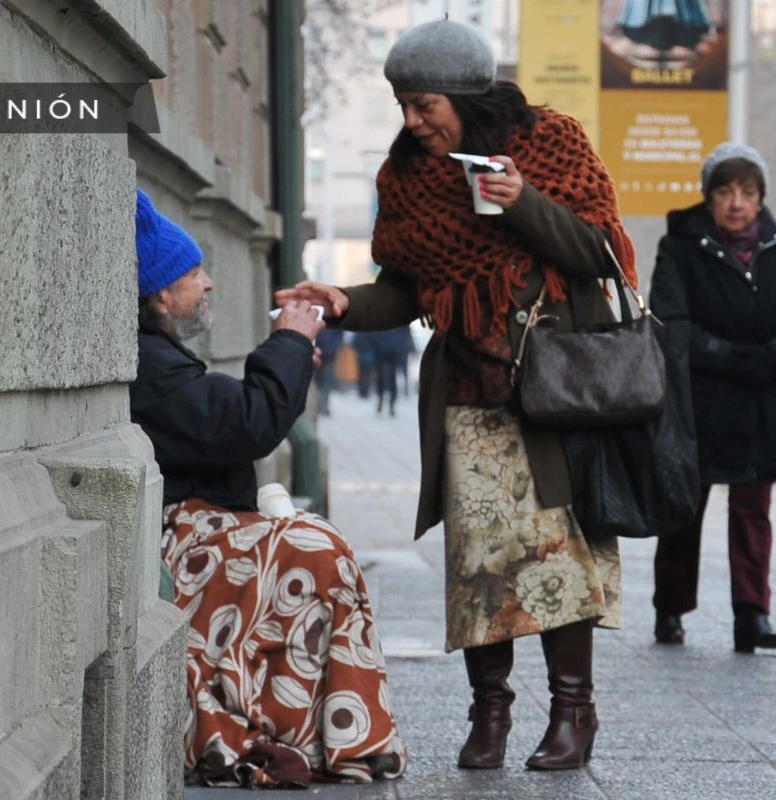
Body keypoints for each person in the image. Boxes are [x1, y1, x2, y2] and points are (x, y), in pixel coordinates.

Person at [274, 18, 635, 772]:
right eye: (403, 103)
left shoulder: (552, 142)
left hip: (554, 392)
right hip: (469, 396)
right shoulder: (405, 179)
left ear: (468, 94)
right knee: (482, 567)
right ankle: (490, 715)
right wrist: (341, 301)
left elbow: (601, 250)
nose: (412, 121)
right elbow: (405, 292)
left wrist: (524, 201)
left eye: (425, 103)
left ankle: (574, 711)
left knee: (558, 556)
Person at [128, 190, 407, 788]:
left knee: (316, 550)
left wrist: (288, 350)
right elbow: (246, 423)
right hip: (176, 542)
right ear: (159, 294)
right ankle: (331, 733)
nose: (208, 284)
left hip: (192, 529)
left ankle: (326, 733)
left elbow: (231, 418)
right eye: (193, 274)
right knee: (315, 550)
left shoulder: (156, 354)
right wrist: (289, 340)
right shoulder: (147, 361)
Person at [648, 142, 776, 653]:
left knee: (753, 511)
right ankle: (670, 609)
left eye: (747, 192)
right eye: (725, 191)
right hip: (701, 398)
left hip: (765, 397)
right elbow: (670, 322)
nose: (737, 202)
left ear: (761, 196)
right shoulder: (680, 244)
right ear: (709, 198)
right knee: (685, 508)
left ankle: (753, 614)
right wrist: (727, 356)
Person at [315, 327, 344, 415]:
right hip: (318, 354)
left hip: (329, 356)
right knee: (318, 382)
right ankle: (319, 405)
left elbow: (339, 337)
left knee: (326, 382)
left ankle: (324, 405)